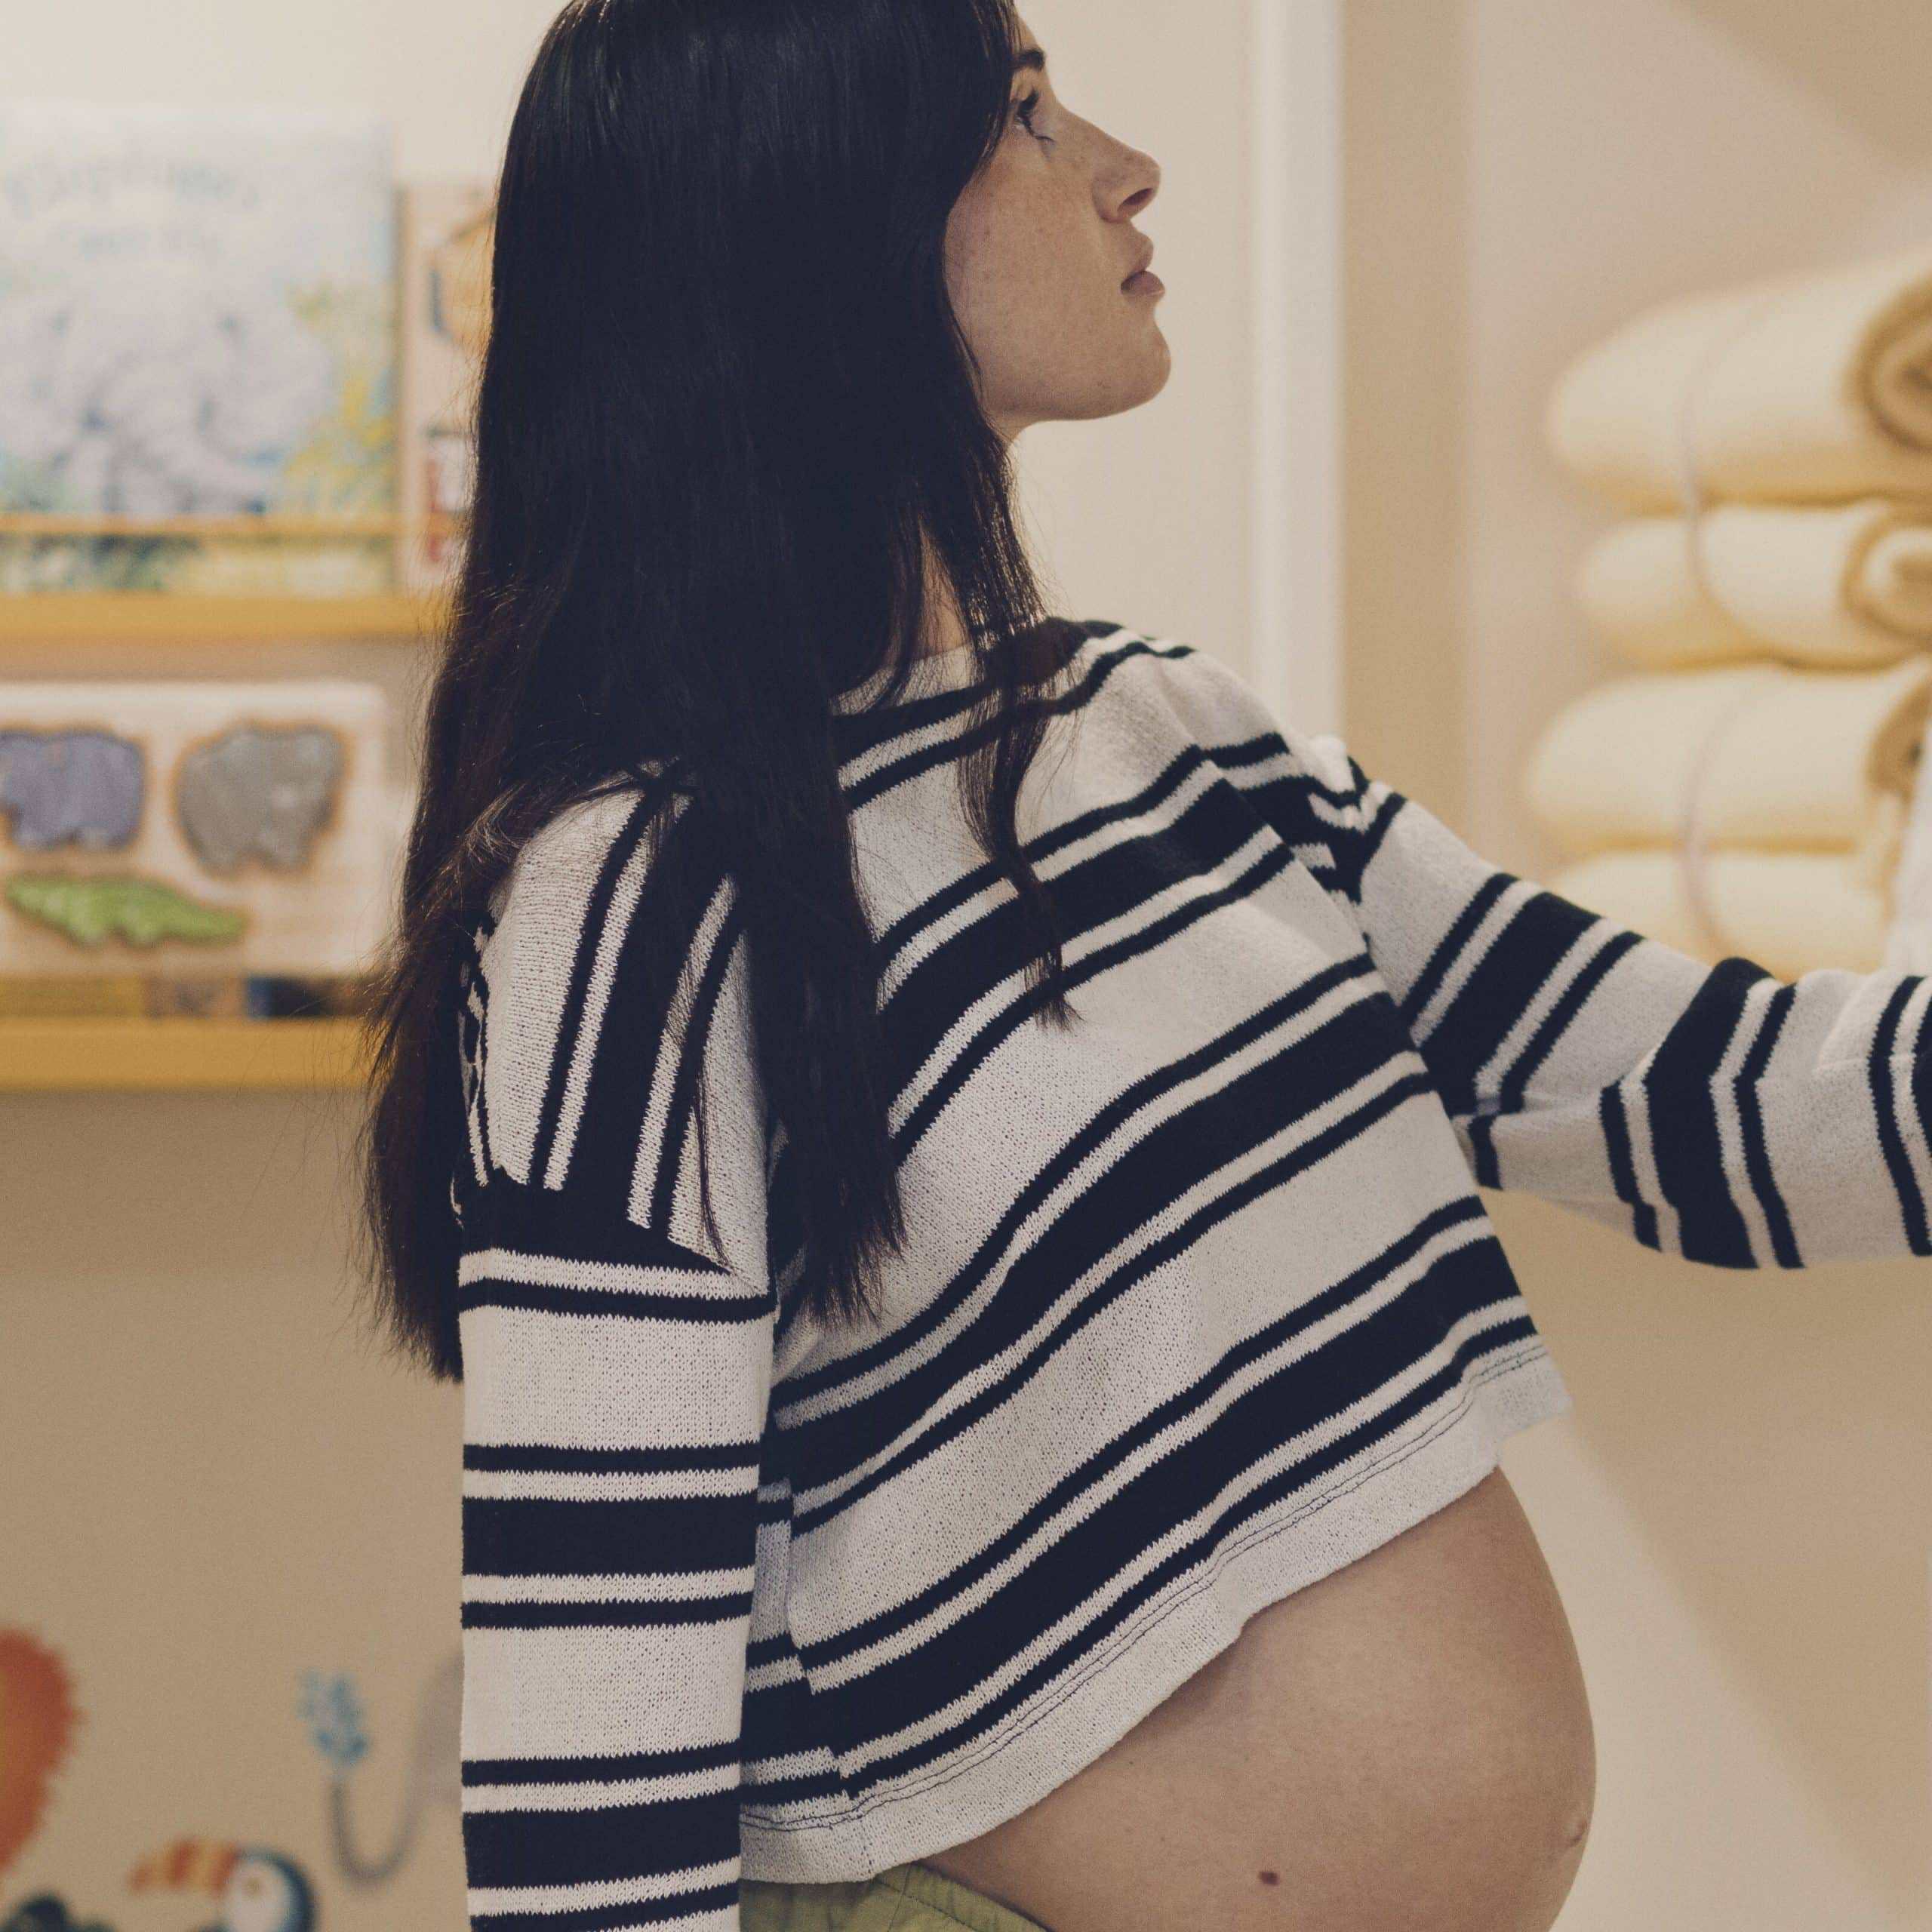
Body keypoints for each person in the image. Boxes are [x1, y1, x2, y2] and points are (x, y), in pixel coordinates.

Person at [352, 5, 1932, 1930]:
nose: (1120, 160)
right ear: (820, 224)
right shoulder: (636, 897)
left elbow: (1703, 1098)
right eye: (1020, 115)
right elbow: (590, 1760)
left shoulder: (1164, 737)